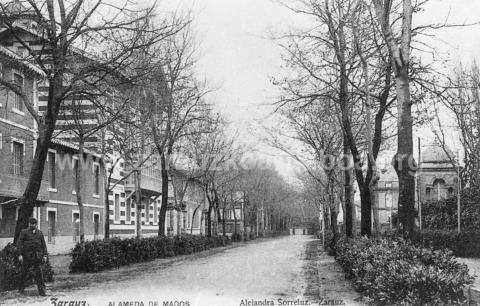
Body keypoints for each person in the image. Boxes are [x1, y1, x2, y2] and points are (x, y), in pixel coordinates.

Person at [17, 217, 47, 296]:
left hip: (37, 257)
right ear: (28, 224)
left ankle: (42, 291)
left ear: (36, 225)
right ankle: (21, 289)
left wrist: (44, 255)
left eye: (33, 224)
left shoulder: (40, 233)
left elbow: (43, 245)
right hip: (27, 256)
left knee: (39, 274)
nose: (32, 225)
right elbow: (19, 244)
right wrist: (20, 255)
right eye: (30, 224)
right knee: (24, 273)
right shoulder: (24, 232)